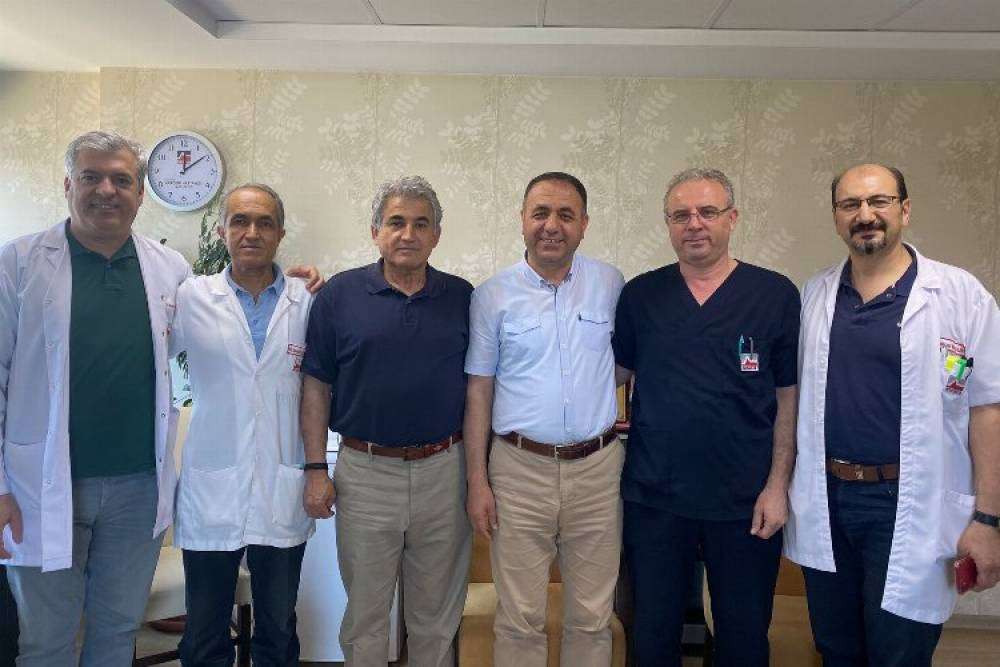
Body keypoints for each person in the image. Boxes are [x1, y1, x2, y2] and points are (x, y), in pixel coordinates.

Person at [785, 163, 1000, 666]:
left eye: (878, 201)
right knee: (836, 648)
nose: (865, 215)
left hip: (909, 500)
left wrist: (988, 519)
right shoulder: (815, 294)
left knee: (899, 653)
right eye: (850, 204)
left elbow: (988, 410)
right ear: (836, 217)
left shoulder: (959, 295)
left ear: (904, 209)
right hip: (828, 499)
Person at [0, 130, 191, 665]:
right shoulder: (17, 264)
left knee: (117, 633)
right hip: (40, 486)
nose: (107, 190)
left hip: (138, 488)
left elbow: (200, 353)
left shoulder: (169, 269)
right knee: (46, 641)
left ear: (140, 194)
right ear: (68, 185)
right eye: (91, 177)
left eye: (121, 180)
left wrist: (298, 290)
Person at [613, 168, 800, 666]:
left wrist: (777, 486)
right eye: (680, 215)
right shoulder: (641, 296)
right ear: (668, 224)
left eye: (707, 212)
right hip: (655, 497)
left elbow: (788, 398)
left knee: (743, 636)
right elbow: (610, 376)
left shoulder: (774, 295)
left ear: (731, 218)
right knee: (652, 634)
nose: (693, 224)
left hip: (745, 501)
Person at [299, 176, 472, 667]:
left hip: (445, 471)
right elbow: (315, 386)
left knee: (435, 618)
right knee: (366, 618)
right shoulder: (339, 296)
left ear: (437, 235)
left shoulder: (463, 298)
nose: (408, 234)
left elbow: (482, 386)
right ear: (376, 231)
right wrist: (315, 469)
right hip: (365, 474)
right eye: (396, 222)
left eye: (421, 224)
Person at [464, 172, 625, 667]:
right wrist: (477, 481)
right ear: (522, 220)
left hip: (597, 470)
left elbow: (623, 365)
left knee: (592, 617)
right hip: (518, 470)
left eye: (565, 215)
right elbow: (479, 390)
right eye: (540, 213)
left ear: (584, 225)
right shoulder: (491, 296)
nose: (552, 225)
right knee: (519, 618)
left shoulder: (611, 285)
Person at [170, 183, 315, 666]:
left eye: (264, 223)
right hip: (212, 485)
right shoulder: (191, 298)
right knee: (203, 630)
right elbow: (148, 359)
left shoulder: (307, 300)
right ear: (222, 231)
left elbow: (322, 385)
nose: (252, 232)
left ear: (281, 233)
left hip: (281, 484)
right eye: (240, 221)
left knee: (278, 627)